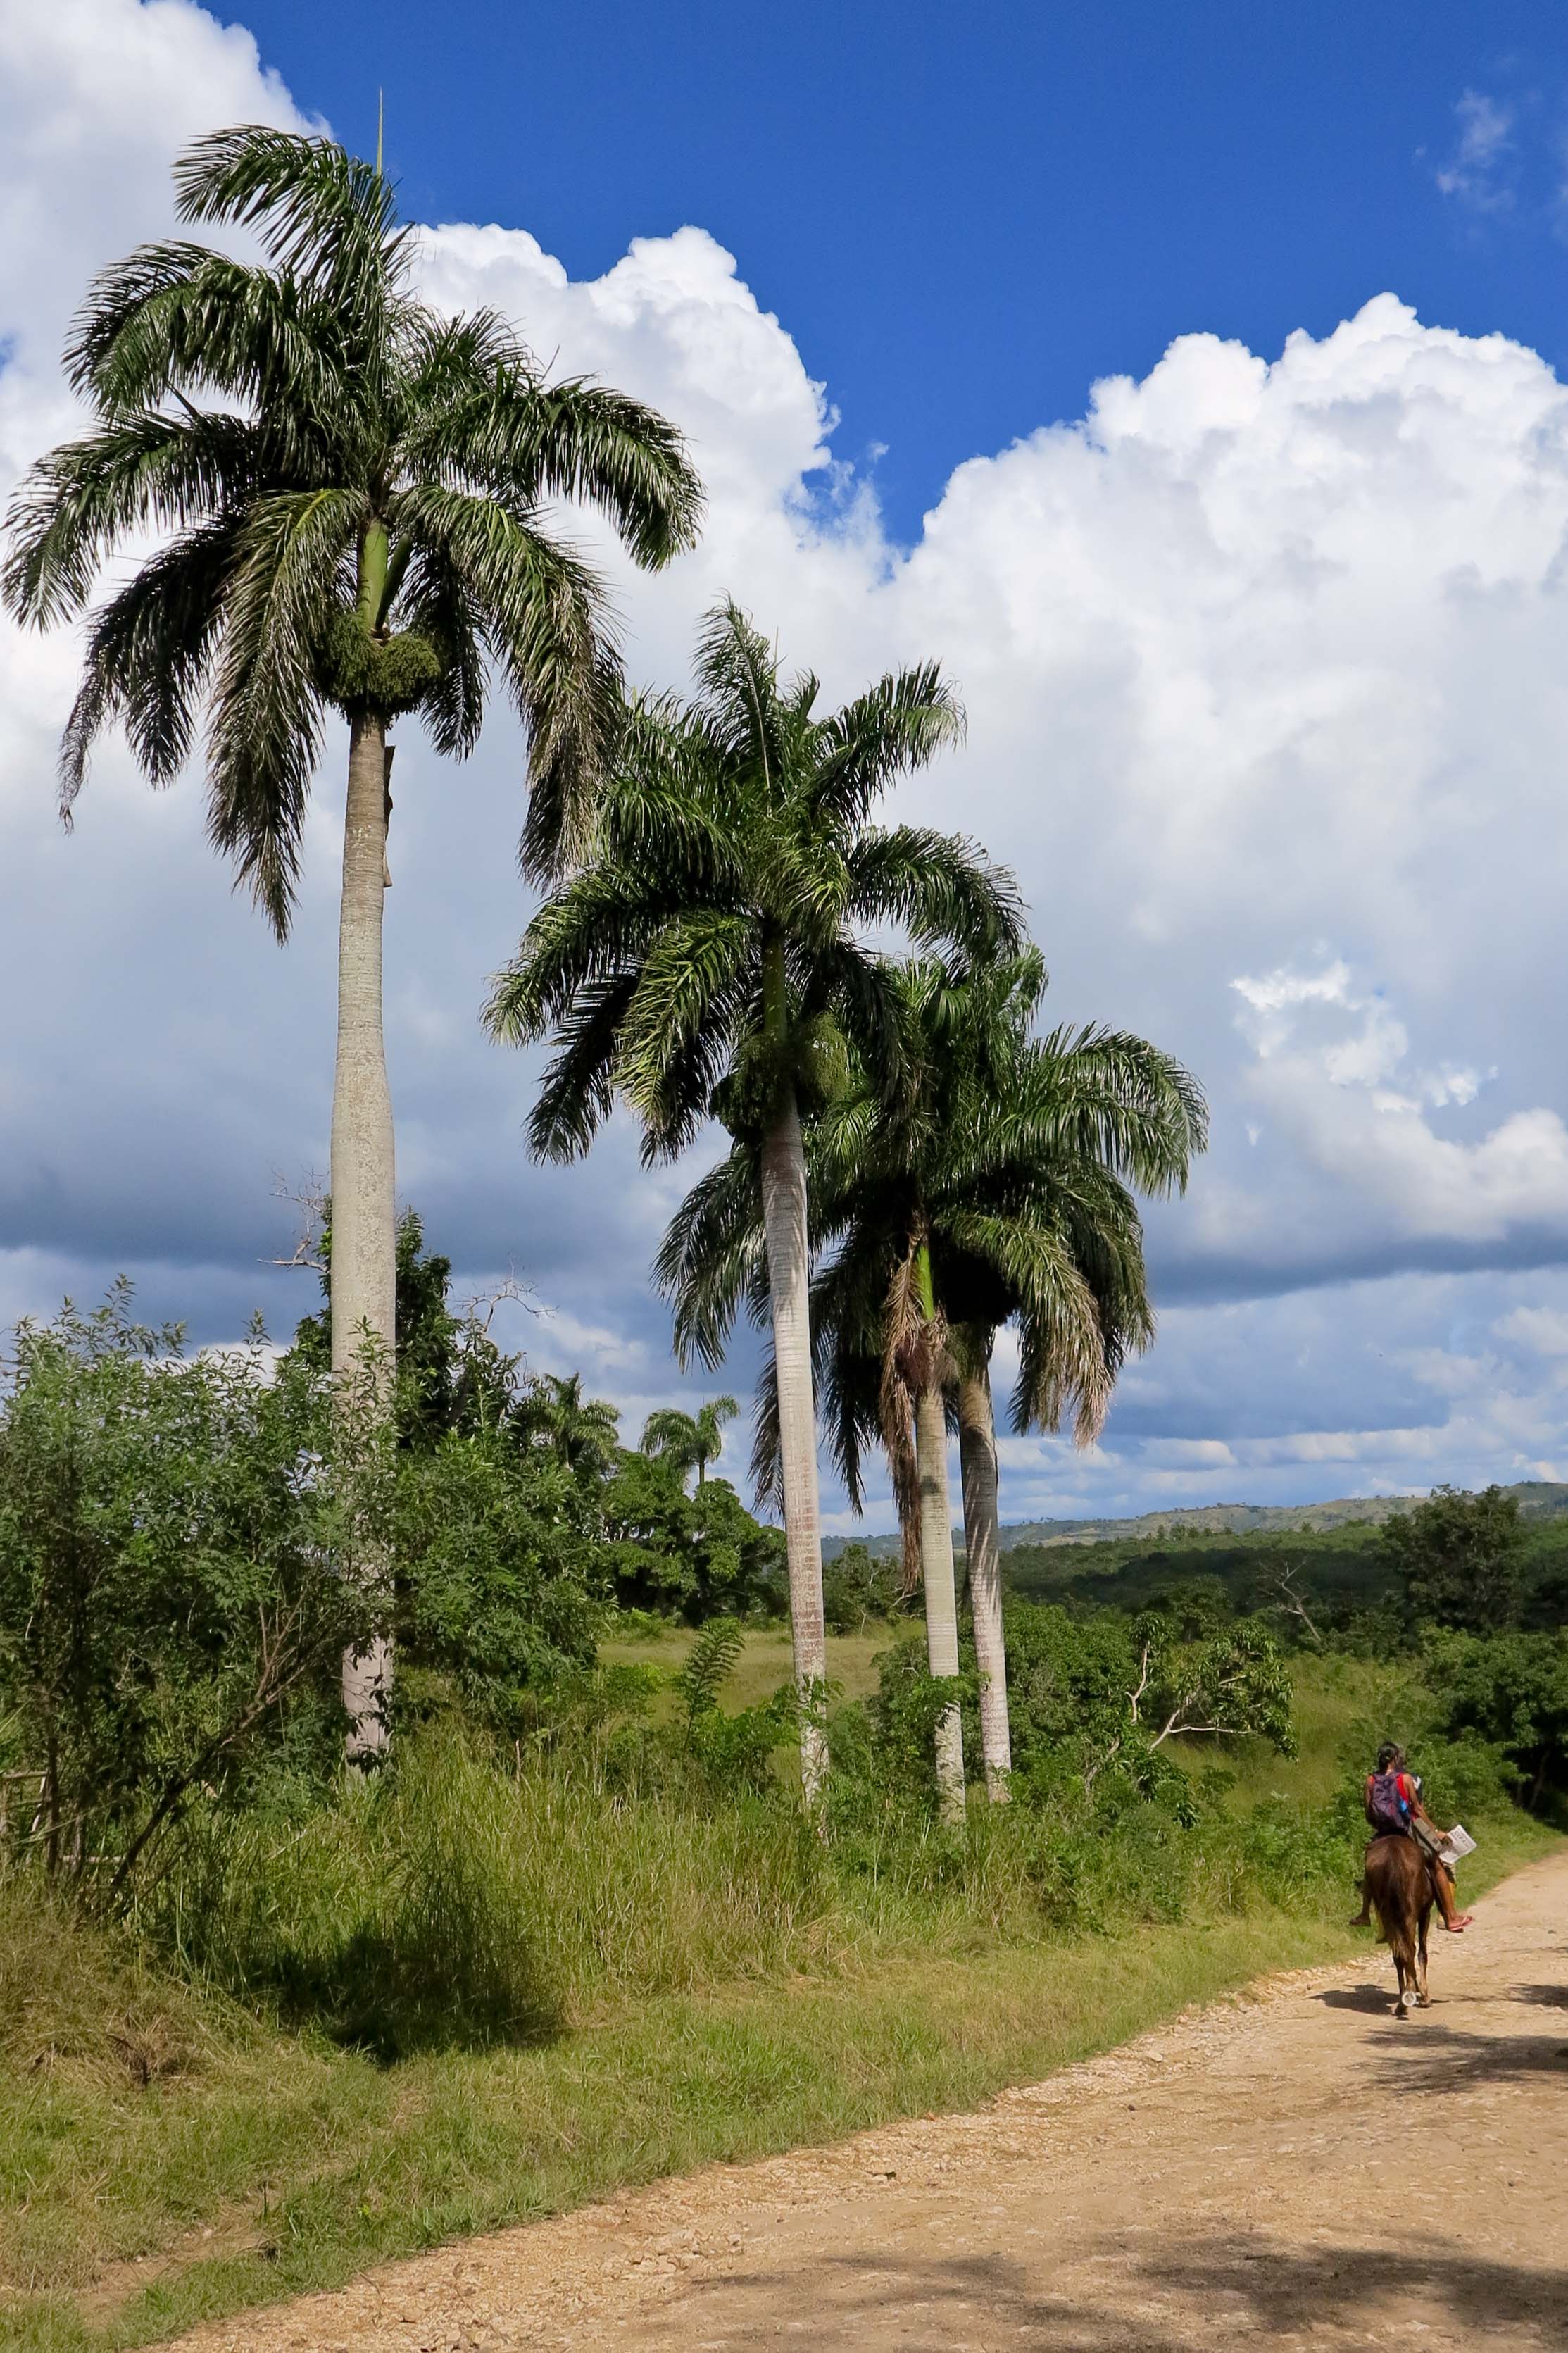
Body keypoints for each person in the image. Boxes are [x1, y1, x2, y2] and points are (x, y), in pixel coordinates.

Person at [1349, 1741, 1474, 1933]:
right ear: (1395, 1758)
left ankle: (1365, 1913)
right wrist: (1433, 1831)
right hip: (1406, 1829)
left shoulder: (1370, 1781)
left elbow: (1368, 1813)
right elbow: (1416, 1808)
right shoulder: (1405, 1779)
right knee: (1437, 1865)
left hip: (1382, 1832)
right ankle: (1450, 1917)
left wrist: (1381, 1828)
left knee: (1369, 1867)